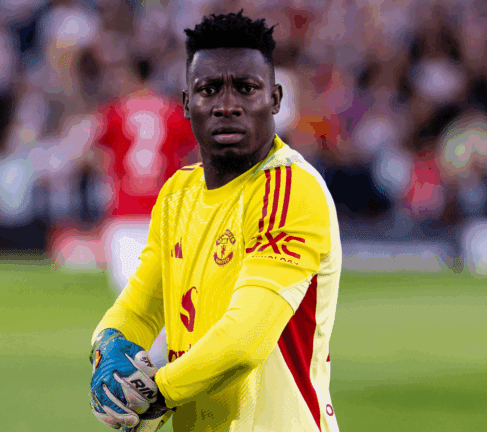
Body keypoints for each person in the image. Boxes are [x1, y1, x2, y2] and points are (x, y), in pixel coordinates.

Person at [88, 11, 341, 432]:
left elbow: (244, 341)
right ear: (188, 103)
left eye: (246, 88)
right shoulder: (178, 193)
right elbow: (136, 308)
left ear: (275, 99)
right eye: (209, 90)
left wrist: (157, 394)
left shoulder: (289, 190)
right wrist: (107, 348)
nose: (227, 105)